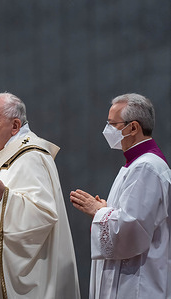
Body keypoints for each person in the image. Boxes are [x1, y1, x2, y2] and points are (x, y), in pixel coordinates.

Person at [0, 92, 80, 299]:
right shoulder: (12, 157)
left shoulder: (31, 157)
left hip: (27, 278)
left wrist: (1, 194)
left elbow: (42, 214)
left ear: (15, 126)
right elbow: (11, 202)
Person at [70, 93, 171, 298]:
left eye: (112, 124)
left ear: (133, 127)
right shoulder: (134, 165)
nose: (108, 130)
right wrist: (108, 211)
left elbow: (132, 228)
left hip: (138, 282)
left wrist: (100, 212)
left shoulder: (147, 168)